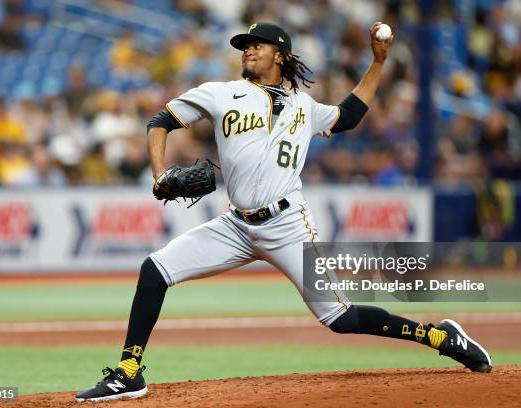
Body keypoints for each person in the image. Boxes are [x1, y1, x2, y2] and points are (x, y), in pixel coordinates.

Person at [76, 22, 492, 402]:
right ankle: (129, 372)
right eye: (244, 46)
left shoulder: (304, 106)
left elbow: (348, 116)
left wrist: (378, 63)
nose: (247, 51)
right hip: (236, 225)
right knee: (155, 270)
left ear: (281, 54)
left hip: (288, 224)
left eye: (256, 45)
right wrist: (160, 173)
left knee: (340, 318)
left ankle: (440, 336)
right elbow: (161, 120)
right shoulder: (221, 92)